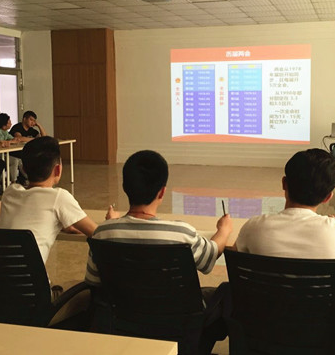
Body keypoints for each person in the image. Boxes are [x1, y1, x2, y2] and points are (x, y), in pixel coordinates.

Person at [85, 150, 232, 355]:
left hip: (124, 323)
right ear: (162, 192)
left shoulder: (102, 233)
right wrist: (224, 230)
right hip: (179, 327)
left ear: (125, 187)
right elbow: (210, 256)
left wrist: (112, 224)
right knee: (225, 293)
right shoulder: (180, 233)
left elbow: (94, 282)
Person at [234, 149, 335, 294]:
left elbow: (236, 254)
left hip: (263, 310)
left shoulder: (253, 227)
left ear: (284, 183)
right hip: (323, 311)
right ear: (328, 197)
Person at [0, 137, 100, 263]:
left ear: (23, 169)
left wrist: (59, 222)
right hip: (31, 276)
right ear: (58, 169)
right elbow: (98, 233)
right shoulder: (59, 197)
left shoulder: (10, 192)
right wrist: (112, 220)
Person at [0, 113, 25, 184]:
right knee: (14, 160)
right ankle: (14, 181)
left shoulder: (5, 131)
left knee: (19, 160)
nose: (11, 123)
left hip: (3, 154)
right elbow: (1, 143)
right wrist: (11, 141)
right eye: (9, 122)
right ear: (4, 126)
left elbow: (12, 139)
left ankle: (28, 178)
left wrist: (14, 140)